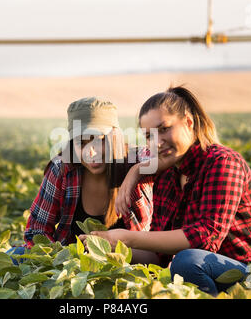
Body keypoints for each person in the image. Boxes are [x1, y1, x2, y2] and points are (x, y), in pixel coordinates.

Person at [80, 86, 251, 296]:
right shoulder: (167, 176)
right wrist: (109, 248)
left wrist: (126, 238)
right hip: (212, 270)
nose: (157, 143)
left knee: (186, 263)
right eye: (149, 136)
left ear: (188, 122)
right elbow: (160, 256)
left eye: (164, 129)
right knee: (178, 266)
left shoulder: (222, 162)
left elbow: (206, 237)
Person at [8, 97, 153, 263]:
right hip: (73, 266)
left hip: (131, 264)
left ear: (115, 137)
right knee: (14, 255)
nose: (90, 152)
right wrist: (62, 261)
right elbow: (37, 230)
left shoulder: (134, 161)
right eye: (81, 143)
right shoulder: (63, 168)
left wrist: (136, 171)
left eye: (99, 141)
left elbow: (170, 155)